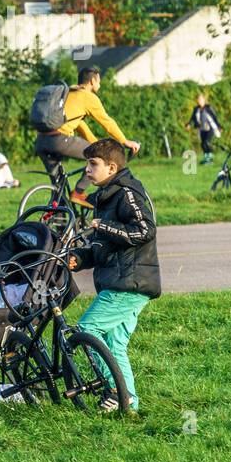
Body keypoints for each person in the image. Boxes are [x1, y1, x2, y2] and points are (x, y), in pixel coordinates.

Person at [66, 138, 160, 413]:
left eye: (92, 164)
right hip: (124, 280)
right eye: (86, 163)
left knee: (86, 330)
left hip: (129, 282)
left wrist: (104, 226)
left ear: (111, 167)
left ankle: (114, 390)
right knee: (115, 344)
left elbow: (145, 230)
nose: (86, 170)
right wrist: (81, 258)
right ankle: (128, 400)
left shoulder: (128, 192)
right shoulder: (106, 196)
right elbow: (103, 245)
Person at [34, 66, 140, 209]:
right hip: (59, 140)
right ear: (92, 80)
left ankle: (60, 225)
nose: (100, 85)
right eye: (99, 82)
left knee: (58, 189)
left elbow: (79, 125)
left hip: (41, 141)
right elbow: (106, 122)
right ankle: (79, 192)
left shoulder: (68, 94)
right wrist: (125, 141)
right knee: (98, 158)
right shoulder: (88, 97)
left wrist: (98, 144)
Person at [187, 93, 222, 165]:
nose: (199, 101)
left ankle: (210, 157)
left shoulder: (208, 108)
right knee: (202, 144)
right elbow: (192, 118)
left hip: (210, 128)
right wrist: (189, 124)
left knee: (206, 142)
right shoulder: (196, 109)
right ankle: (206, 158)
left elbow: (214, 117)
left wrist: (219, 126)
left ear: (204, 100)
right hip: (202, 129)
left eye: (201, 99)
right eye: (198, 99)